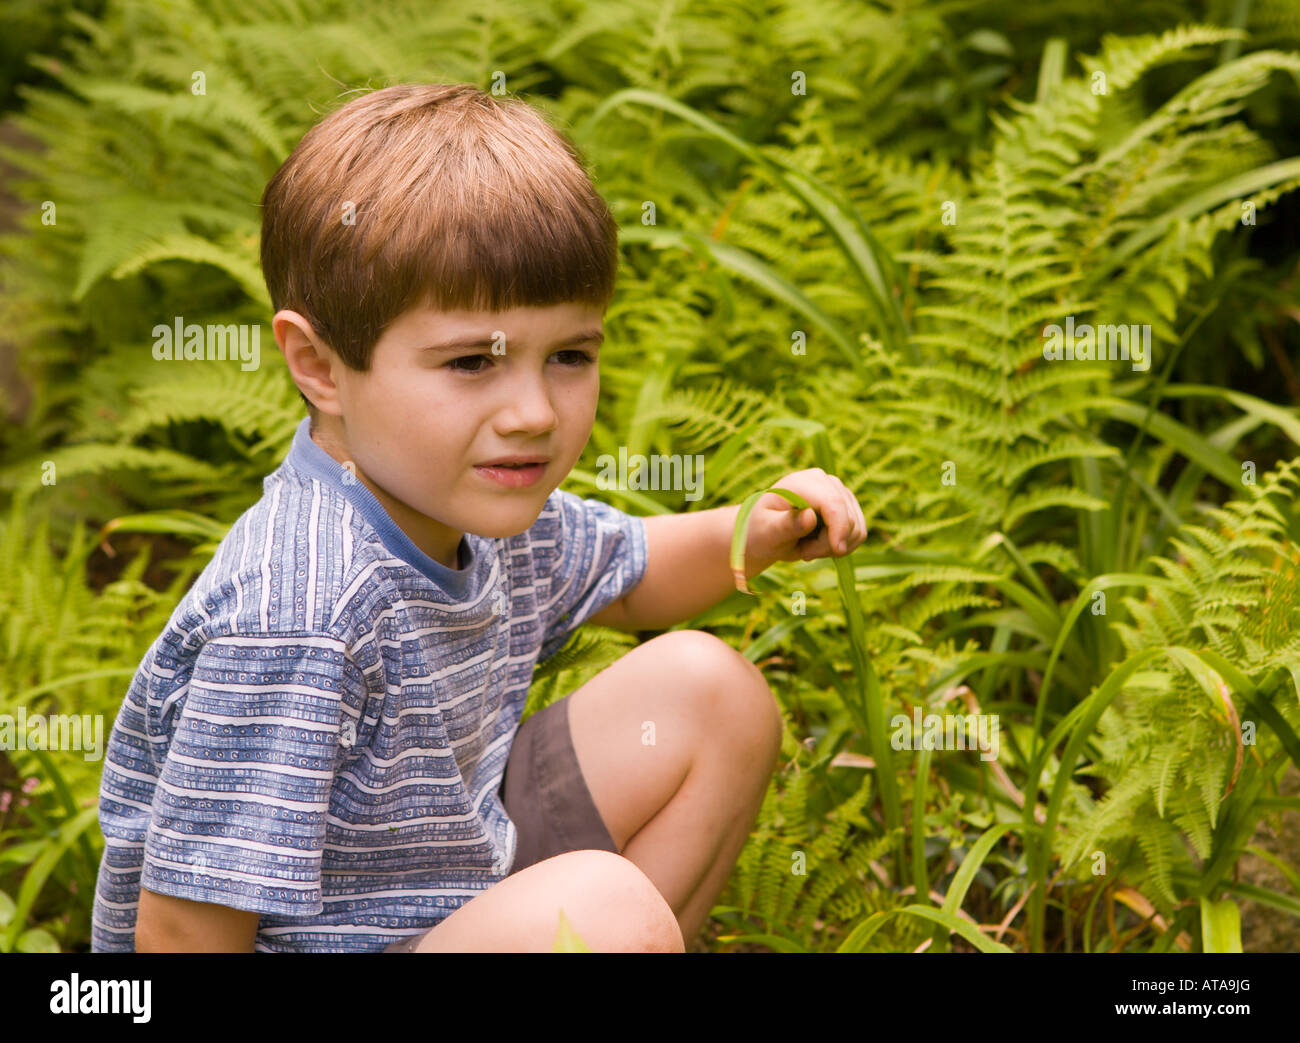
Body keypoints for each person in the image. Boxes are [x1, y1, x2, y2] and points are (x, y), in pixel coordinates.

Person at [90, 83, 866, 953]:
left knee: (711, 695)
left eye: (569, 354)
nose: (533, 410)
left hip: (457, 889)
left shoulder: (487, 507)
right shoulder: (299, 613)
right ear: (320, 365)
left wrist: (751, 531)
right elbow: (183, 931)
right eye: (471, 362)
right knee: (605, 910)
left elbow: (635, 569)